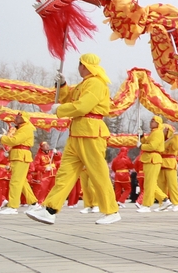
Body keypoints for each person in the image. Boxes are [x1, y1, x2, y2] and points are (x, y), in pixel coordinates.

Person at [27, 53, 121, 225]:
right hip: (77, 132)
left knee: (98, 173)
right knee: (65, 173)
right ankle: (50, 209)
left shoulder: (96, 83)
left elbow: (82, 106)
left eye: (79, 64)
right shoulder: (84, 84)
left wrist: (59, 110)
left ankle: (111, 211)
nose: (78, 68)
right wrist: (62, 85)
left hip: (91, 132)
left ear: (84, 65)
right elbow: (69, 98)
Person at [0, 113, 38, 214]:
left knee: (15, 181)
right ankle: (33, 203)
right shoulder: (21, 128)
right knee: (22, 181)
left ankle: (13, 206)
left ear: (24, 119)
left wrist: (2, 138)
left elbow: (15, 141)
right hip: (18, 155)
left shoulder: (26, 128)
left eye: (19, 117)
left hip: (21, 156)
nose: (16, 118)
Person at [137, 116, 166, 212]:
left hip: (153, 158)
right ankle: (164, 199)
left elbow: (152, 146)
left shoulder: (157, 133)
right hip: (150, 159)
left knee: (149, 183)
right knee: (150, 183)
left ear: (158, 123)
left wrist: (141, 146)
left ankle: (147, 205)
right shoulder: (153, 133)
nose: (151, 122)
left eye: (153, 121)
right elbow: (147, 142)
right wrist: (141, 137)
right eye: (151, 121)